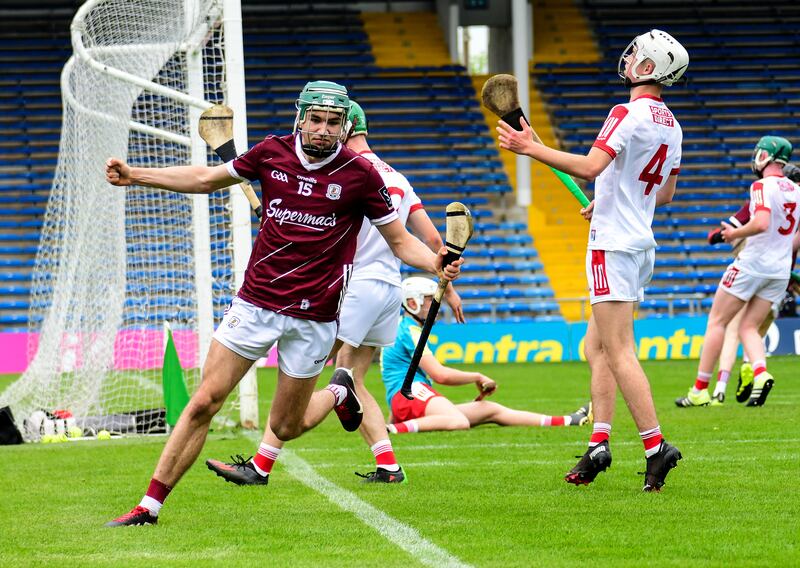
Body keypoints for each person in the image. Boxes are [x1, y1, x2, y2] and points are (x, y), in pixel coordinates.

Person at [103, 81, 462, 527]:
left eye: (334, 122)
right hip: (256, 304)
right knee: (204, 402)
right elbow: (205, 178)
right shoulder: (271, 152)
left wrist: (436, 263)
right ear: (301, 118)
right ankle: (148, 507)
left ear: (344, 126)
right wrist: (136, 174)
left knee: (286, 426)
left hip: (314, 318)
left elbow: (401, 241)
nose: (323, 130)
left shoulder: (360, 176)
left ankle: (337, 389)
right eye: (316, 119)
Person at [204, 101, 464, 486]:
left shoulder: (346, 172)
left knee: (307, 372)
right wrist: (447, 283)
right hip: (389, 287)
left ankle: (261, 465)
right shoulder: (398, 177)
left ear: (344, 129)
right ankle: (388, 464)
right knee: (353, 379)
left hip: (352, 284)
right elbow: (431, 239)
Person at [497, 29, 688, 491]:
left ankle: (656, 446)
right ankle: (599, 444)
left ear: (650, 67)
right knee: (597, 346)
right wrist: (607, 200)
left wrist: (530, 149)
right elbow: (663, 193)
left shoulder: (626, 111)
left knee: (619, 351)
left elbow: (589, 167)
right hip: (638, 240)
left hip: (613, 244)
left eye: (639, 55)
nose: (630, 58)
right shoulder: (673, 124)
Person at [676, 136, 799, 408]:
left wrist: (734, 233)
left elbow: (761, 223)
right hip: (779, 271)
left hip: (753, 263)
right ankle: (760, 371)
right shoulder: (796, 190)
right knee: (749, 327)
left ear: (765, 156)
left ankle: (699, 390)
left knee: (717, 322)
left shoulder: (760, 186)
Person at [380, 277, 591, 434]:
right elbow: (439, 375)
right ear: (412, 302)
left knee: (489, 409)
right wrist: (477, 376)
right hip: (410, 393)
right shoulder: (409, 330)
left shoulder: (406, 328)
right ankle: (392, 430)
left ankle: (567, 420)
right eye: (428, 300)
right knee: (459, 421)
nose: (434, 304)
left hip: (408, 396)